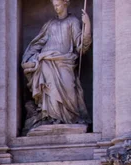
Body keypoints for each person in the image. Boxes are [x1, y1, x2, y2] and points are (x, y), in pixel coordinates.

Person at [21, 0, 92, 130]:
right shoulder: (50, 24)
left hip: (65, 62)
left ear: (65, 3)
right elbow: (38, 43)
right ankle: (51, 118)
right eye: (54, 6)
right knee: (49, 90)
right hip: (46, 61)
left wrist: (87, 25)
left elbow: (81, 46)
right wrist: (28, 57)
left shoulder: (73, 22)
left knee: (70, 90)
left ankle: (70, 118)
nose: (56, 8)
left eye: (58, 5)